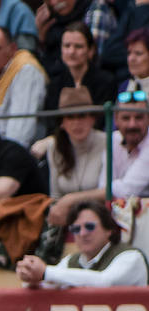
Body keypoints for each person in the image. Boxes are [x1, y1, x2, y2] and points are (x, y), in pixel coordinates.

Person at [16, 201, 149, 288]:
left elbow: (105, 282)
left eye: (90, 227)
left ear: (109, 229)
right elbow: (46, 283)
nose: (83, 233)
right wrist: (30, 275)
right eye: (76, 229)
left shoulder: (130, 256)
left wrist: (45, 272)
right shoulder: (70, 261)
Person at [40, 86, 107, 229]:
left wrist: (70, 200)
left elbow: (108, 192)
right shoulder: (54, 147)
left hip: (100, 220)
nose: (77, 123)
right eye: (70, 117)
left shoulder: (107, 143)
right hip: (68, 223)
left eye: (82, 116)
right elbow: (55, 195)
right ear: (62, 123)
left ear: (92, 119)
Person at [33, 0, 117, 75]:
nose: (54, 2)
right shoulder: (47, 20)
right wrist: (41, 40)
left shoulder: (96, 9)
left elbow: (89, 63)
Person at [41, 21, 117, 121]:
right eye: (67, 46)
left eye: (78, 46)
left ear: (91, 50)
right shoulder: (54, 84)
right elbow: (51, 121)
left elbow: (103, 120)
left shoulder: (106, 81)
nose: (71, 52)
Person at [111, 89, 149, 199]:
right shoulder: (113, 139)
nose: (132, 125)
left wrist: (71, 199)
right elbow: (104, 185)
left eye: (139, 117)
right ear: (116, 120)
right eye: (126, 118)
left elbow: (126, 190)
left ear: (148, 118)